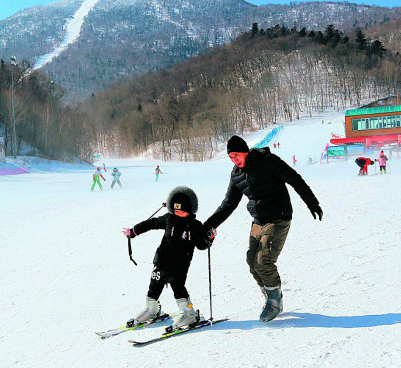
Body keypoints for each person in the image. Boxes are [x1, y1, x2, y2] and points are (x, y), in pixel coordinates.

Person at [203, 135, 322, 322]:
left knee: (263, 261)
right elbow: (228, 204)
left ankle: (275, 302)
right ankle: (270, 297)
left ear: (245, 151)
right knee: (252, 262)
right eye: (230, 157)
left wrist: (312, 203)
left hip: (278, 217)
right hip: (258, 221)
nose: (234, 160)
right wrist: (208, 225)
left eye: (236, 155)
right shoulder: (236, 174)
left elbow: (294, 179)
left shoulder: (267, 161)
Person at [124, 186, 214, 328]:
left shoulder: (196, 226)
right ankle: (151, 308)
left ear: (190, 209)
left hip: (180, 263)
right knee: (155, 281)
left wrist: (209, 239)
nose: (178, 213)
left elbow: (202, 245)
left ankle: (188, 312)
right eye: (176, 210)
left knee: (177, 284)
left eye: (182, 211)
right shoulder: (169, 219)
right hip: (162, 258)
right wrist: (134, 231)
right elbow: (151, 223)